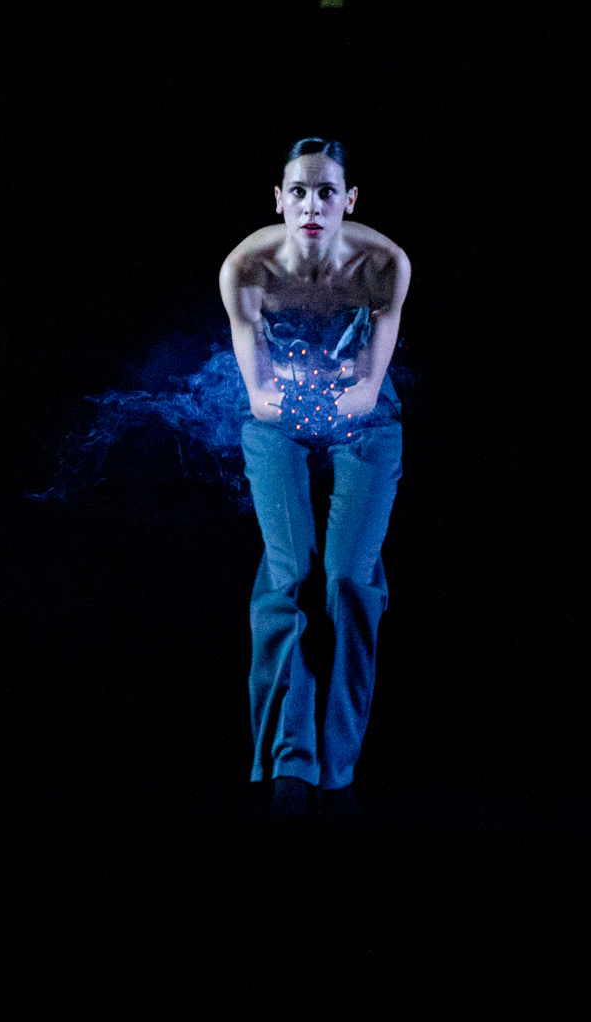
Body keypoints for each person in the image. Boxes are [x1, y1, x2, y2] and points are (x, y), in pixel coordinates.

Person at [219, 138, 409, 827]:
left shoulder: (383, 264)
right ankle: (291, 768)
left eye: (326, 192)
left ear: (348, 202)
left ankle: (339, 769)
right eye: (297, 191)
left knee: (349, 580)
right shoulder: (246, 266)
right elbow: (262, 394)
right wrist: (301, 396)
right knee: (290, 573)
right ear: (278, 200)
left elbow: (366, 391)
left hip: (362, 418)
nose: (311, 204)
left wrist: (329, 395)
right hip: (279, 419)